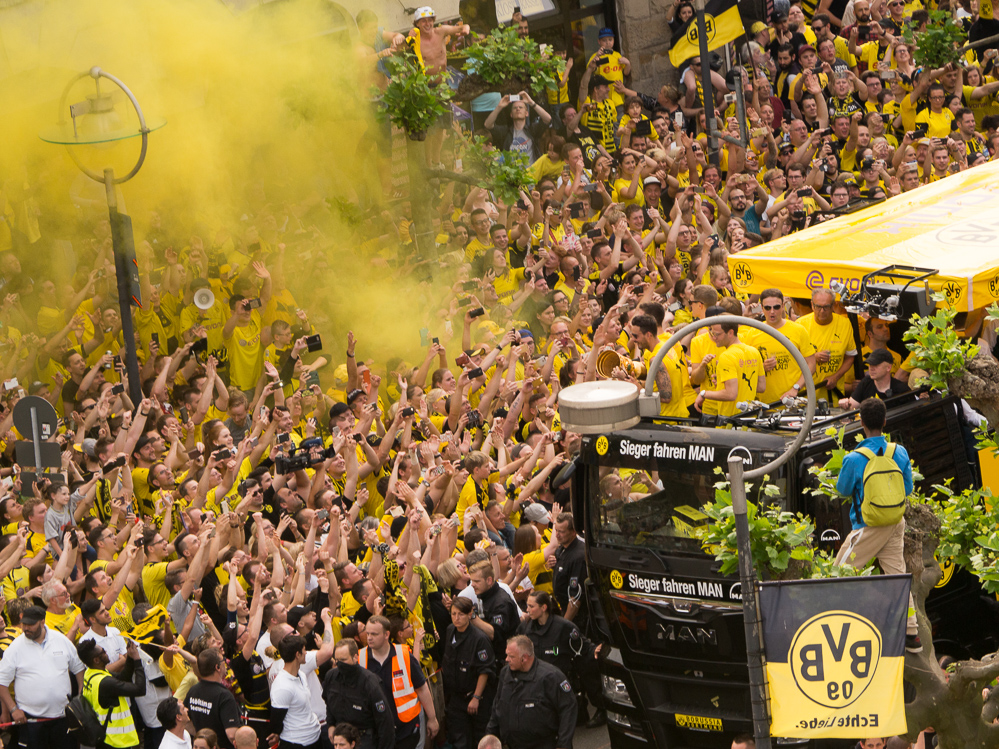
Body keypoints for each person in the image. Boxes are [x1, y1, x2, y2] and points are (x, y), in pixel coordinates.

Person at [835, 399, 920, 652]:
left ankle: (836, 626)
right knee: (897, 576)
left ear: (861, 423)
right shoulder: (899, 452)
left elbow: (842, 490)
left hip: (868, 525)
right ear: (884, 421)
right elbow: (907, 488)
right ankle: (912, 633)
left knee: (837, 573)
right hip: (895, 522)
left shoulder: (854, 458)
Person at [0, 605, 85, 749]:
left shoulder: (61, 640)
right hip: (31, 722)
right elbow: (2, 682)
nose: (26, 628)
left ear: (42, 622)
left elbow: (78, 669)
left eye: (30, 625)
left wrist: (80, 697)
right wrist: (13, 709)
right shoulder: (15, 648)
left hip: (62, 718)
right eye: (24, 624)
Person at [517, 590, 605, 728]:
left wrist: (595, 650)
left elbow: (584, 647)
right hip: (537, 682)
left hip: (561, 681)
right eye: (527, 606)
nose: (527, 610)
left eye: (531, 606)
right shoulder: (525, 628)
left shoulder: (563, 627)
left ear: (544, 607)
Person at [359, 615, 438, 749]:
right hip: (377, 730)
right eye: (368, 633)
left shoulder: (404, 655)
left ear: (386, 634)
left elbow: (422, 688)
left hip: (406, 729)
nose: (369, 638)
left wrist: (432, 718)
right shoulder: (360, 658)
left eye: (374, 634)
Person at [485, 635, 577, 749]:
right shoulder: (505, 674)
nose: (507, 659)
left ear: (524, 658)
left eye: (511, 656)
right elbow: (498, 707)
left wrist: (563, 744)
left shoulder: (550, 677)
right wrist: (490, 736)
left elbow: (568, 709)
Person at [442, 597, 496, 749]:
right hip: (455, 698)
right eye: (453, 614)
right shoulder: (450, 631)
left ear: (469, 614)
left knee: (479, 738)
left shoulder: (479, 639)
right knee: (458, 739)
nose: (456, 618)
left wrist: (476, 697)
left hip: (475, 697)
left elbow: (485, 671)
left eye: (461, 614)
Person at [323, 638, 395, 749]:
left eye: (343, 660)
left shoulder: (369, 682)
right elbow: (329, 703)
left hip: (364, 740)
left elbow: (385, 722)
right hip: (340, 740)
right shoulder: (331, 677)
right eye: (337, 660)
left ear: (355, 657)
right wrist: (331, 725)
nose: (340, 664)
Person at [78, 636, 147, 749]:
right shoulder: (105, 683)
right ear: (96, 660)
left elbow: (123, 677)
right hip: (115, 741)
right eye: (103, 652)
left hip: (104, 737)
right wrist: (137, 661)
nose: (106, 652)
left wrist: (130, 657)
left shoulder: (90, 673)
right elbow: (140, 689)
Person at [693, 317, 765, 417]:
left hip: (730, 420)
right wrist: (724, 385)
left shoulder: (726, 356)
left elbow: (731, 394)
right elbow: (761, 387)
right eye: (712, 333)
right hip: (749, 417)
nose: (714, 338)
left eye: (717, 334)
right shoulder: (754, 352)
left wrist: (704, 394)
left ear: (730, 333)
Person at [270, 634, 322, 749]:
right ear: (297, 655)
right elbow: (276, 722)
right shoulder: (282, 687)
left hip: (315, 737)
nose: (306, 653)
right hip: (296, 743)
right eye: (304, 650)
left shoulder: (301, 674)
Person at [184, 648, 243, 749]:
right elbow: (231, 734)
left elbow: (186, 721)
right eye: (223, 660)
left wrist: (203, 738)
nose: (225, 663)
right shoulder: (224, 696)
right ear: (217, 667)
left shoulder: (193, 691)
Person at [838, 349, 913, 410]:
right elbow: (851, 407)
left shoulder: (902, 390)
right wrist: (845, 404)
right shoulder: (866, 382)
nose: (871, 368)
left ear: (888, 367)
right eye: (870, 365)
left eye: (876, 365)